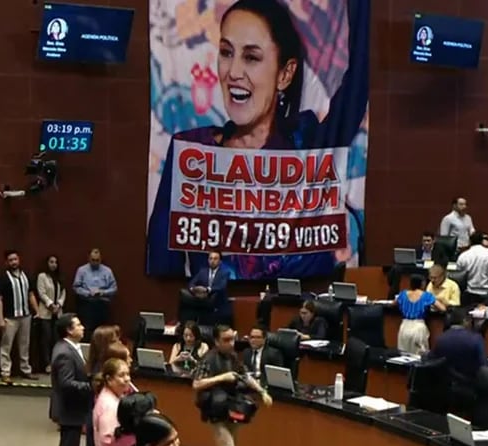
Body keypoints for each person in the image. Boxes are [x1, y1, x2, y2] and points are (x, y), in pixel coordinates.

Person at [146, 0, 367, 280]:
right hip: (212, 314)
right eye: (226, 53)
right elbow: (163, 261)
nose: (233, 72)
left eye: (251, 57)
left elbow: (359, 78)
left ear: (285, 74)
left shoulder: (308, 143)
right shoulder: (192, 151)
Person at [192, 325, 272, 446]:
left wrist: (261, 392)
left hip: (230, 409)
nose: (231, 343)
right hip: (215, 411)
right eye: (226, 340)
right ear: (216, 341)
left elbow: (245, 376)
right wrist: (221, 378)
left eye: (232, 339)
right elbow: (197, 384)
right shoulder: (209, 359)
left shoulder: (233, 356)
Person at [50, 313, 91, 446]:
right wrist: (91, 387)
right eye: (78, 324)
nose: (83, 327)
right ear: (69, 330)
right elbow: (66, 383)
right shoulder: (65, 352)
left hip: (72, 408)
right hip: (69, 408)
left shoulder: (69, 347)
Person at [0, 249, 38, 383]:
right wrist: (0, 319)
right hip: (10, 317)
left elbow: (31, 294)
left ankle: (26, 370)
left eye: (15, 259)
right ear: (6, 262)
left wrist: (37, 311)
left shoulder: (26, 275)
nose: (14, 262)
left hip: (25, 315)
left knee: (25, 344)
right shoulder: (3, 278)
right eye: (11, 260)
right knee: (6, 345)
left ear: (19, 260)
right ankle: (5, 372)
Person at [428, 309, 487, 385]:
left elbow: (431, 360)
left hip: (444, 387)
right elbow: (484, 367)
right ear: (465, 321)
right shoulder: (476, 339)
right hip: (469, 387)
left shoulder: (441, 338)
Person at [72, 248, 117, 335]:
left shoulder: (107, 271)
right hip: (87, 305)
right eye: (93, 260)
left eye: (97, 260)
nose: (95, 262)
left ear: (101, 259)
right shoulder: (82, 270)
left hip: (102, 305)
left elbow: (114, 288)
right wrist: (88, 293)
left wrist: (102, 292)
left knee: (102, 332)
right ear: (88, 258)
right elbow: (76, 287)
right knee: (87, 331)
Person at [35, 255, 66, 373]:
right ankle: (47, 364)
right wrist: (50, 304)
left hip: (57, 312)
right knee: (46, 339)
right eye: (51, 262)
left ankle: (57, 363)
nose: (53, 264)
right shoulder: (42, 276)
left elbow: (63, 292)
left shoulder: (59, 277)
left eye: (56, 262)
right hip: (45, 312)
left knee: (57, 339)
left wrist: (59, 304)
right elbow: (41, 292)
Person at [182, 250, 231, 324]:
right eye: (210, 258)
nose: (212, 261)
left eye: (215, 259)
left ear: (220, 261)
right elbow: (191, 283)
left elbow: (221, 286)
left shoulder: (225, 272)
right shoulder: (202, 271)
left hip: (218, 306)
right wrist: (194, 289)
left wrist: (207, 289)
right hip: (203, 304)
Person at [397, 275, 443, 354]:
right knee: (419, 356)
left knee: (403, 355)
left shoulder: (403, 294)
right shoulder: (426, 296)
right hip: (418, 327)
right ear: (422, 284)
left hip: (404, 327)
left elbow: (392, 304)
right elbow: (442, 308)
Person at [455, 232, 488, 306]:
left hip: (469, 293)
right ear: (482, 241)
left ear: (470, 241)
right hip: (487, 293)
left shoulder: (463, 255)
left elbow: (458, 276)